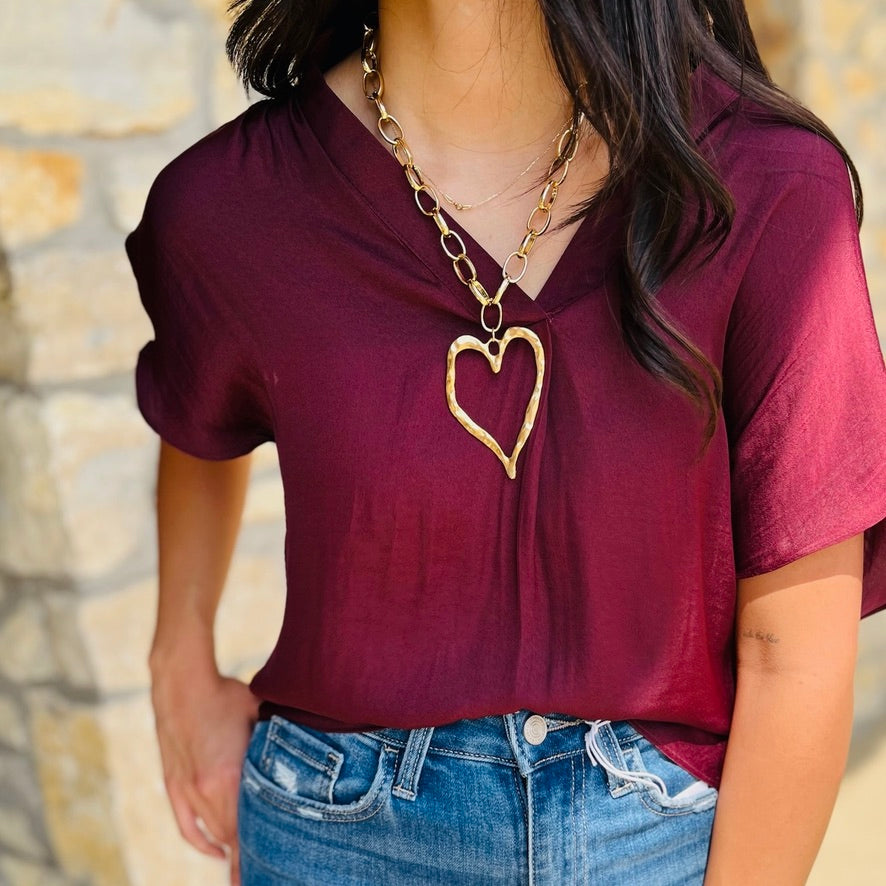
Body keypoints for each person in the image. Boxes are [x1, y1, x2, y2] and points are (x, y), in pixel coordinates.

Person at [127, 0, 886, 883]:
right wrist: (178, 663)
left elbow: (794, 648)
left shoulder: (765, 185)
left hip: (658, 842)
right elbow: (198, 410)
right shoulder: (231, 205)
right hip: (330, 835)